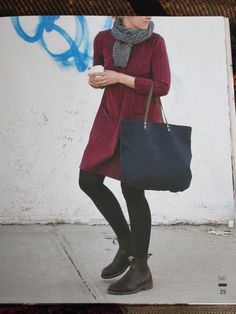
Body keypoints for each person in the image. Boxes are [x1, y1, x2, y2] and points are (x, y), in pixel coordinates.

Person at [79, 16, 171, 295]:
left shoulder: (155, 42)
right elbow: (101, 75)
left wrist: (119, 76)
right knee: (88, 181)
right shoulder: (103, 39)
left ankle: (141, 269)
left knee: (132, 190)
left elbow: (162, 86)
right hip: (109, 119)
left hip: (140, 124)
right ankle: (127, 244)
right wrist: (98, 81)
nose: (149, 15)